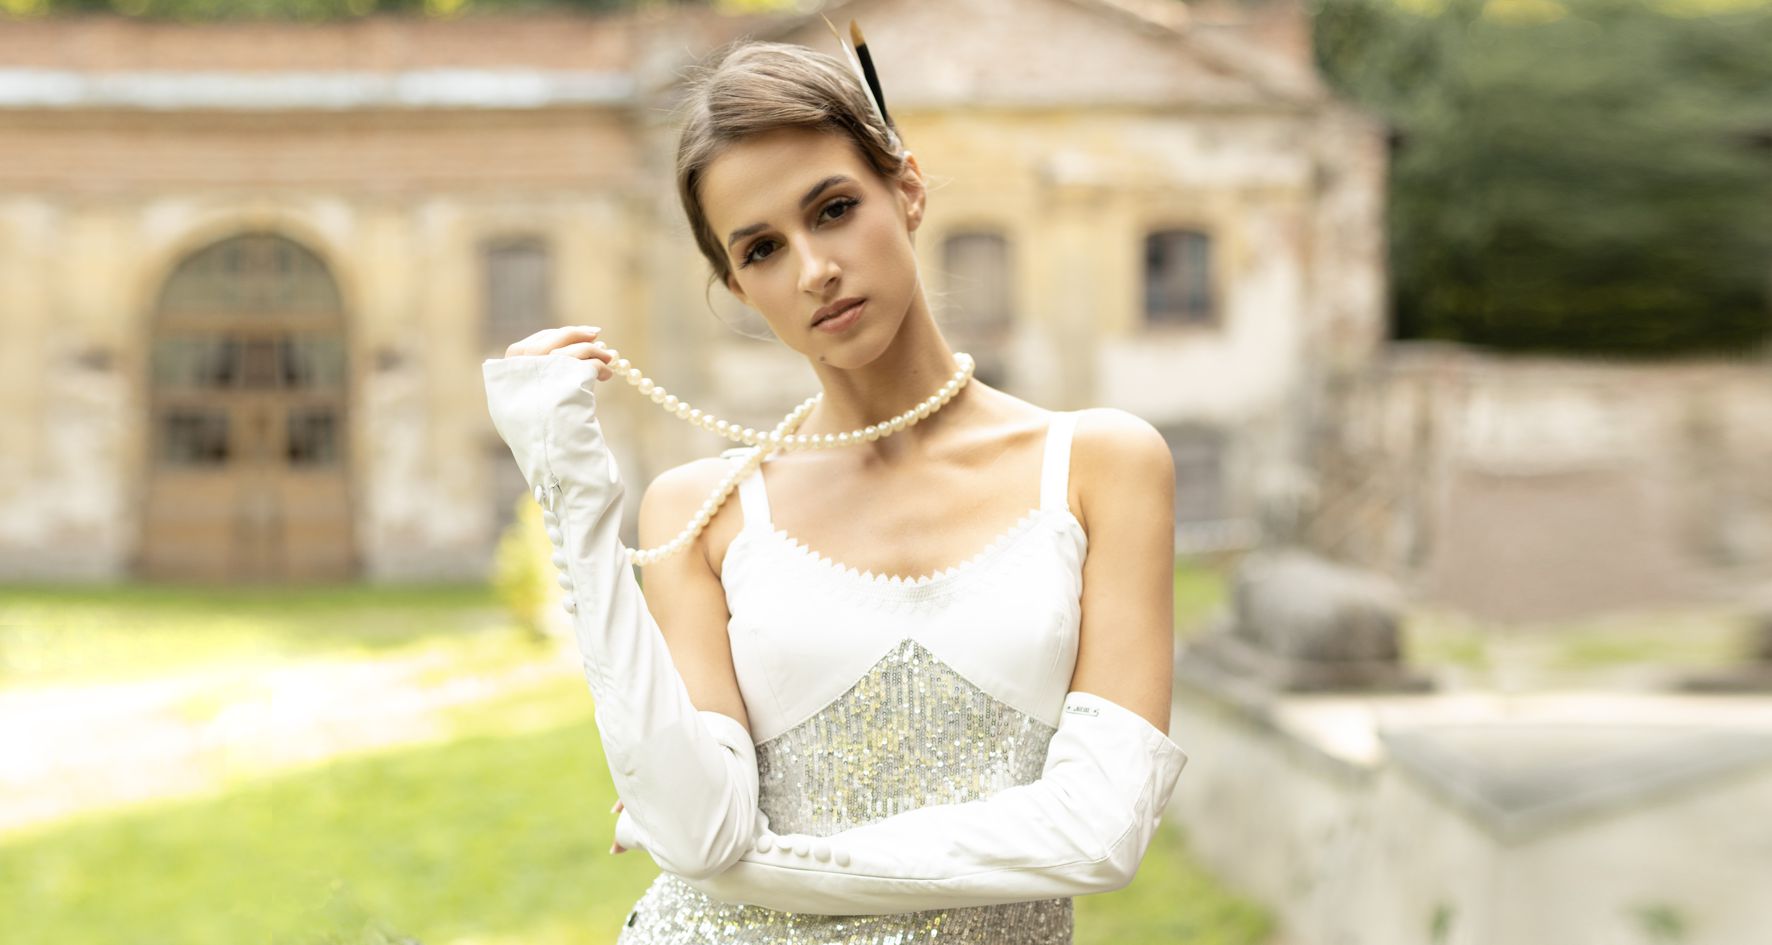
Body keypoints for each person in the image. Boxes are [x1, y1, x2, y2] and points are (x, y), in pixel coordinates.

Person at [482, 37, 1187, 945]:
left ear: (909, 189)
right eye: (763, 249)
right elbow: (695, 831)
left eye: (835, 209)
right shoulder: (700, 512)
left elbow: (1099, 832)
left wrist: (758, 864)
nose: (814, 268)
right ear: (738, 285)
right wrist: (569, 490)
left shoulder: (1100, 466)